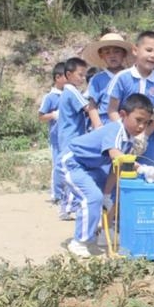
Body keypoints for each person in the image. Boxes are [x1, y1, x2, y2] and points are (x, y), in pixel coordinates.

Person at [58, 93, 154, 257]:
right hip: (72, 162)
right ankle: (79, 242)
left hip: (93, 167)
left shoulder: (129, 140)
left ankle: (104, 233)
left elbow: (116, 168)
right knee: (92, 197)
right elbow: (116, 156)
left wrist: (107, 194)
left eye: (146, 123)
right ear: (123, 115)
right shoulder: (115, 129)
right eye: (138, 120)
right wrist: (140, 168)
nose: (141, 127)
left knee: (109, 196)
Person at [107, 31, 154, 164]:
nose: (153, 55)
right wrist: (125, 133)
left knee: (147, 174)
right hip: (121, 139)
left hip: (147, 141)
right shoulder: (122, 78)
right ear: (135, 50)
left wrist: (144, 135)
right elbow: (112, 110)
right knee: (121, 175)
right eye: (148, 50)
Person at [56, 57, 103, 220]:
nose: (83, 79)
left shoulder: (66, 91)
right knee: (74, 172)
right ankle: (68, 207)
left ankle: (67, 206)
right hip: (72, 138)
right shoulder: (71, 90)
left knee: (71, 172)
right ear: (68, 74)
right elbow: (88, 107)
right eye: (80, 75)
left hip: (66, 136)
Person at [82, 32, 133, 125]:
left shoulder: (131, 76)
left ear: (124, 53)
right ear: (102, 56)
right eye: (107, 52)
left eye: (116, 51)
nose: (112, 55)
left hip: (127, 123)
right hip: (105, 123)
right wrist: (98, 126)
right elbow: (92, 106)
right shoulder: (97, 79)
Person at [38, 62, 67, 204]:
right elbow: (41, 116)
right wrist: (54, 115)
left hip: (70, 137)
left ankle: (68, 195)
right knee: (57, 166)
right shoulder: (50, 97)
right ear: (58, 77)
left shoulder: (72, 94)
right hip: (56, 138)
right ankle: (56, 195)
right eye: (66, 76)